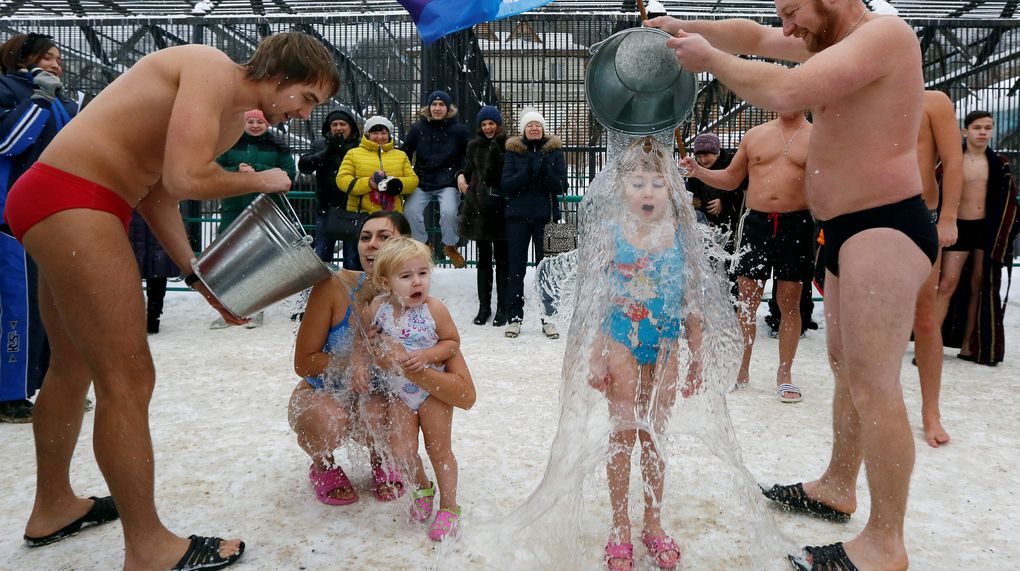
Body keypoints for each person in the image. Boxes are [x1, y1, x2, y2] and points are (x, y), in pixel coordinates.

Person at [4, 32, 339, 569]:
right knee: (128, 378)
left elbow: (159, 190)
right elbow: (187, 179)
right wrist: (260, 180)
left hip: (66, 197)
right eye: (307, 98)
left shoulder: (231, 120)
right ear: (281, 76)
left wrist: (197, 276)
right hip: (76, 197)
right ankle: (149, 548)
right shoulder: (210, 68)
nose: (304, 114)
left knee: (72, 365)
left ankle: (53, 507)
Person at [651, 2, 940, 568]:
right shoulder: (831, 39)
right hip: (846, 228)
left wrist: (710, 60)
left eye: (792, 11)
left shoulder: (885, 36)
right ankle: (837, 484)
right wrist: (682, 27)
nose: (786, 28)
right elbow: (755, 37)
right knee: (846, 369)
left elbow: (786, 90)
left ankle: (886, 544)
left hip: (885, 224)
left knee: (875, 385)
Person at [588, 137, 702, 571]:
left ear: (671, 189)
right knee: (622, 433)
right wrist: (595, 356)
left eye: (657, 183)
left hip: (666, 342)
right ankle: (620, 525)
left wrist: (699, 354)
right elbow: (597, 300)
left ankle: (653, 521)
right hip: (621, 338)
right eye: (638, 183)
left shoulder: (681, 234)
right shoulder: (612, 232)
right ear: (622, 188)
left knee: (655, 434)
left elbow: (691, 301)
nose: (648, 191)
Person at [681, 112, 813, 403]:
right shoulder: (755, 135)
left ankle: (785, 374)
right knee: (746, 302)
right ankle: (740, 372)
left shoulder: (816, 137)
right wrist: (698, 172)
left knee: (790, 302)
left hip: (798, 223)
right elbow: (731, 178)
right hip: (757, 224)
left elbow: (829, 183)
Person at [290, 211, 412, 506]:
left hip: (374, 398)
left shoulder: (415, 295)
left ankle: (382, 458)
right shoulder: (334, 286)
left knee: (386, 408)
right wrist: (360, 358)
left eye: (384, 237)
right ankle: (323, 465)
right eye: (365, 237)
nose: (372, 244)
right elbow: (304, 362)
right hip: (319, 393)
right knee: (329, 416)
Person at [368, 236, 468, 541]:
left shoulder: (434, 309)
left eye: (423, 273)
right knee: (400, 449)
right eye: (406, 276)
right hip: (400, 391)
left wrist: (426, 355)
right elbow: (371, 339)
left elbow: (452, 343)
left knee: (439, 450)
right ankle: (423, 487)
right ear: (385, 282)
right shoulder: (378, 308)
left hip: (432, 390)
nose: (417, 282)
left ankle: (449, 507)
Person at [0, 33, 78, 423]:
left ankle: (52, 384)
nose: (55, 64)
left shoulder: (61, 98)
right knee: (20, 307)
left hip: (55, 218)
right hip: (12, 220)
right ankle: (10, 394)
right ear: (22, 58)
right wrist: (40, 99)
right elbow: (7, 142)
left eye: (58, 58)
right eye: (47, 57)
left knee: (56, 306)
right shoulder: (8, 89)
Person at [937, 110, 1019, 367]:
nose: (983, 132)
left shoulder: (999, 164)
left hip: (985, 230)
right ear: (965, 131)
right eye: (977, 127)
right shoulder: (953, 161)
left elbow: (1007, 201)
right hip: (958, 228)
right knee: (947, 284)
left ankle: (969, 346)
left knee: (979, 287)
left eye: (987, 127)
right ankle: (931, 345)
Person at [210, 108, 297, 329]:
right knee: (228, 261)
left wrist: (256, 170)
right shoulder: (229, 144)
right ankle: (228, 309)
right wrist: (236, 169)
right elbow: (214, 170)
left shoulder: (277, 146)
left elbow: (289, 173)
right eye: (250, 121)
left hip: (265, 210)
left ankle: (256, 309)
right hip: (234, 209)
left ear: (267, 124)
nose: (255, 126)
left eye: (260, 122)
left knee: (259, 261)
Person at [911, 90, 963, 447]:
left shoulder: (932, 102)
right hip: (871, 215)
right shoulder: (864, 94)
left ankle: (931, 411)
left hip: (920, 213)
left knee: (925, 318)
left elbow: (954, 160)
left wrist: (948, 218)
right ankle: (875, 403)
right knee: (874, 318)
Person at [501, 108, 567, 339]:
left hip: (546, 217)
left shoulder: (554, 151)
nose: (534, 128)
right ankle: (514, 318)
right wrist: (528, 172)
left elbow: (561, 185)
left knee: (547, 271)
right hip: (517, 218)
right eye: (530, 125)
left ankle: (549, 319)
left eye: (537, 125)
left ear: (543, 128)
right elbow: (506, 185)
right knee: (515, 269)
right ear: (523, 130)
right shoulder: (513, 152)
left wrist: (545, 171)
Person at [336, 116, 418, 270]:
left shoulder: (400, 155)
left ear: (389, 134)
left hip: (391, 218)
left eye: (383, 133)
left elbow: (413, 180)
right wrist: (368, 184)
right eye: (375, 133)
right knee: (356, 260)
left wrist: (398, 185)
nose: (379, 137)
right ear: (367, 134)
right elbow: (342, 180)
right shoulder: (353, 154)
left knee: (391, 261)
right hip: (361, 215)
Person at [401, 90, 471, 268]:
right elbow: (404, 153)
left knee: (449, 212)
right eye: (434, 104)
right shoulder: (417, 129)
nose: (437, 108)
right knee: (410, 211)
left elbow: (471, 156)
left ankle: (450, 245)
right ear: (429, 107)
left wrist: (462, 173)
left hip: (449, 181)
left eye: (441, 105)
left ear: (448, 108)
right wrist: (404, 174)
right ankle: (423, 245)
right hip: (422, 180)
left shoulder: (459, 130)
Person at [457, 105, 509, 326]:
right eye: (484, 124)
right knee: (483, 260)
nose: (488, 127)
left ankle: (503, 307)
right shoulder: (473, 145)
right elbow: (468, 169)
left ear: (498, 124)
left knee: (503, 260)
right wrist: (460, 175)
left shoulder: (507, 144)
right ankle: (484, 306)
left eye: (491, 123)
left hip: (500, 208)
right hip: (478, 208)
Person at [299, 106, 361, 264]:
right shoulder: (320, 144)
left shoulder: (360, 146)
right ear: (329, 127)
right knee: (321, 254)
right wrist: (328, 152)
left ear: (351, 127)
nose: (338, 128)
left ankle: (350, 280)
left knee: (352, 257)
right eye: (335, 124)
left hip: (353, 208)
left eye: (343, 124)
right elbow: (304, 166)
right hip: (326, 207)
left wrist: (342, 150)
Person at [128, 212, 180, 335]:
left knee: (135, 277)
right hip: (154, 232)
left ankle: (146, 318)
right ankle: (152, 318)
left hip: (137, 231)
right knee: (155, 276)